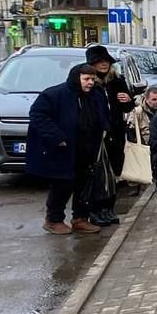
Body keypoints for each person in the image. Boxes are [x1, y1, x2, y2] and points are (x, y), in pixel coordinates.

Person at [27, 64, 109, 235]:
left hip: (88, 148)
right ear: (76, 78)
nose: (90, 83)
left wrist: (104, 129)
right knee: (62, 184)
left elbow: (103, 114)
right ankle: (53, 219)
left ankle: (80, 218)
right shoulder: (55, 94)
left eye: (93, 79)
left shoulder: (95, 95)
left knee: (85, 184)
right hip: (64, 149)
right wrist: (57, 137)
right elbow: (38, 115)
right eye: (86, 79)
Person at [87, 45, 133, 226]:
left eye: (106, 61)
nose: (104, 64)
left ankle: (108, 209)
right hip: (95, 135)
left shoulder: (116, 80)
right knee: (97, 174)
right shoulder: (88, 83)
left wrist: (127, 100)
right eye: (99, 61)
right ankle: (96, 210)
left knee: (114, 172)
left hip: (115, 133)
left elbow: (126, 106)